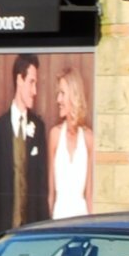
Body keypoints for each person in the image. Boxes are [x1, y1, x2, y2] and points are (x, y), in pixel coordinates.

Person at [0, 53, 50, 234]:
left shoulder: (38, 127)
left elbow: (42, 188)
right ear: (19, 80)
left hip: (31, 231)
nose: (35, 91)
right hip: (6, 230)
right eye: (31, 82)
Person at [46, 68, 93, 219]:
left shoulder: (89, 138)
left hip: (82, 219)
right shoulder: (55, 135)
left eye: (62, 93)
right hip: (59, 218)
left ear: (74, 95)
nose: (58, 100)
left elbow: (90, 196)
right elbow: (50, 194)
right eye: (58, 94)